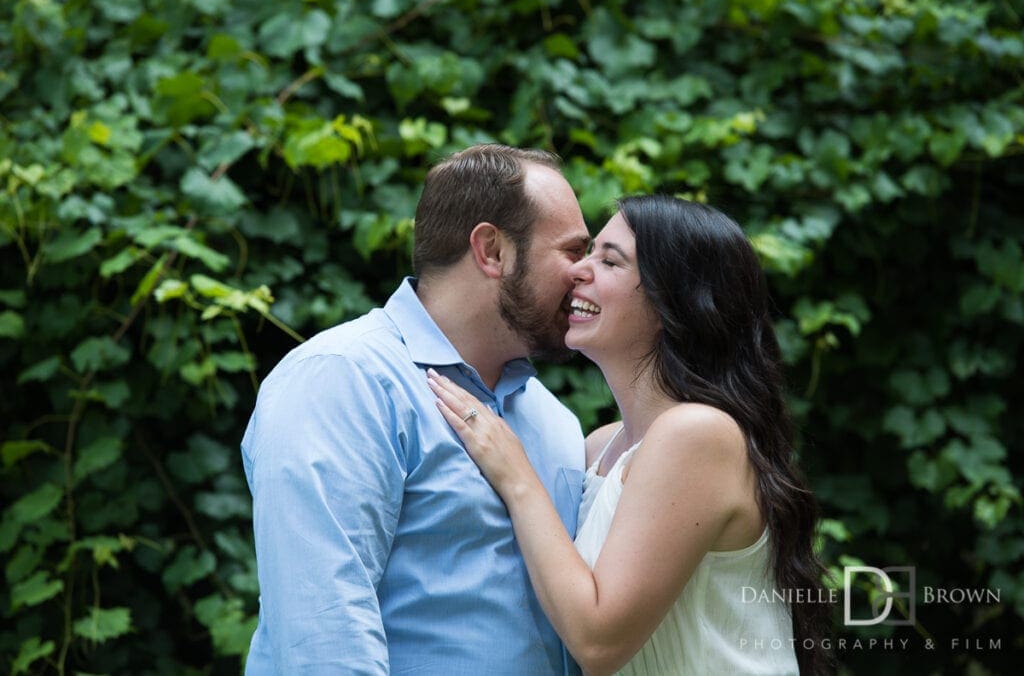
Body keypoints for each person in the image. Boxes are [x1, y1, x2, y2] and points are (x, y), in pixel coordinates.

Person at [429, 195, 831, 675]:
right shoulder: (602, 447)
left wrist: (516, 475)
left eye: (610, 260)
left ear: (670, 303)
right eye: (587, 252)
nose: (579, 270)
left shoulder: (698, 433)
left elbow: (599, 643)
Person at [241, 144, 593, 673]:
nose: (588, 274)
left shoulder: (554, 420)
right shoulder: (344, 379)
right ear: (492, 251)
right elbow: (324, 633)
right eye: (573, 251)